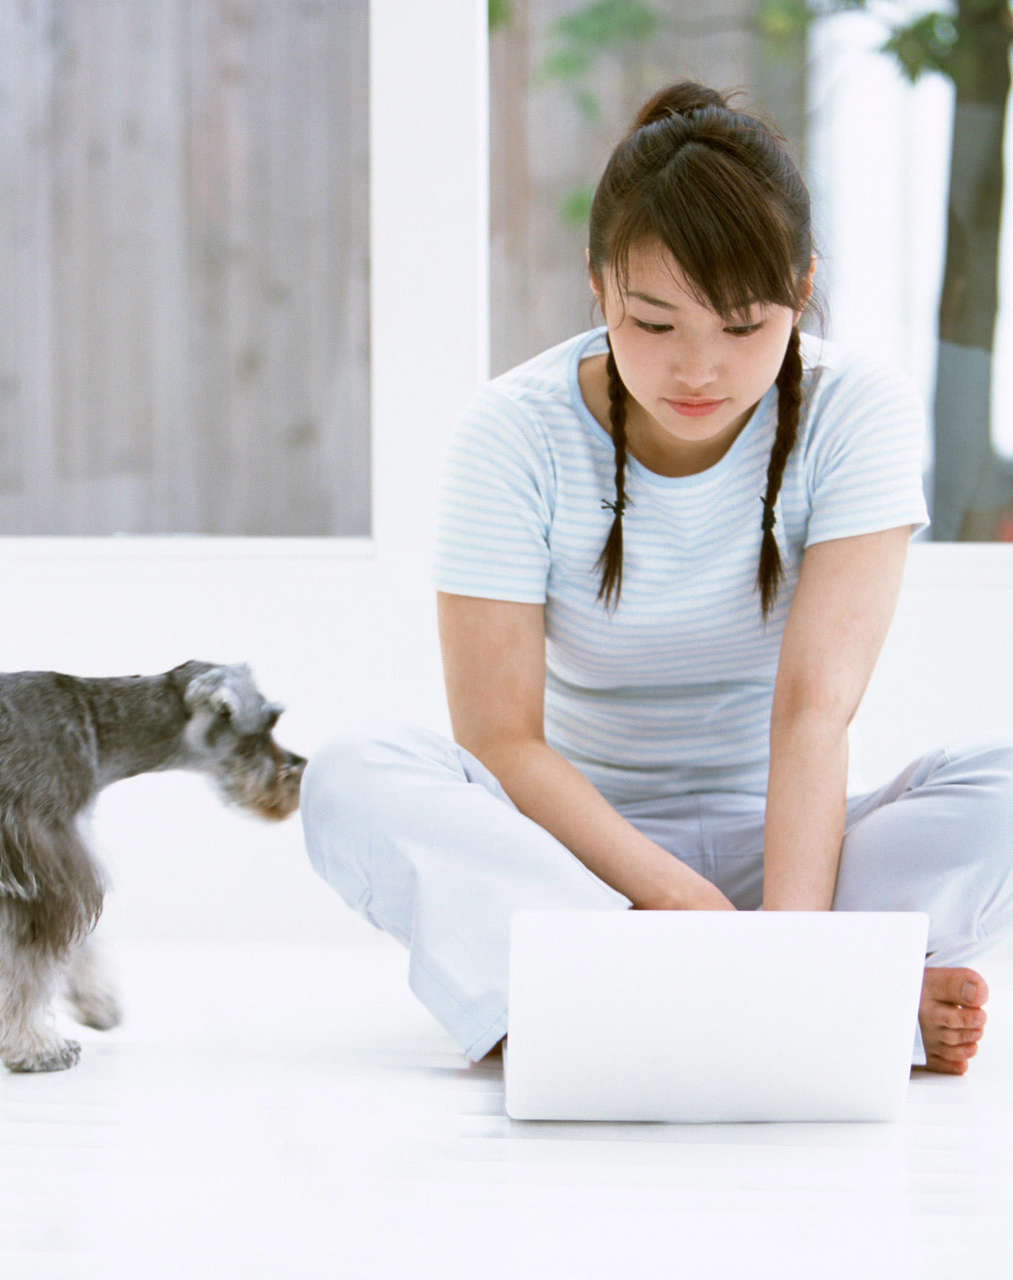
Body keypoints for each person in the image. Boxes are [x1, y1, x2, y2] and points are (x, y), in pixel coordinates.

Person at [301, 82, 1013, 1075]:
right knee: (350, 773)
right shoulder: (510, 433)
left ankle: (623, 1005)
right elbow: (499, 735)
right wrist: (680, 907)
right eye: (652, 323)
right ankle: (840, 1003)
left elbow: (812, 710)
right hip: (579, 861)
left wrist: (784, 945)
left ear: (800, 290)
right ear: (595, 290)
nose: (697, 370)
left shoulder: (860, 411)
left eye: (741, 326)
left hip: (794, 851)